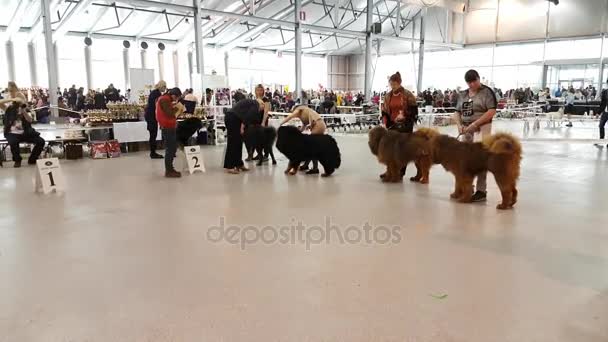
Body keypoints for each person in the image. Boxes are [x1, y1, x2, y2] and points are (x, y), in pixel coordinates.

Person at [453, 69, 497, 203]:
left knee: (480, 158)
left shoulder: (487, 92)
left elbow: (491, 111)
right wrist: (459, 125)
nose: (471, 84)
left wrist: (476, 123)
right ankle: (467, 187)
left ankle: (481, 190)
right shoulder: (463, 94)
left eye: (474, 81)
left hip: (482, 127)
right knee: (465, 160)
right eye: (469, 82)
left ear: (479, 79)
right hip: (466, 129)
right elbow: (456, 112)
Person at [280, 105, 327, 175]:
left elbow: (289, 117)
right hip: (319, 124)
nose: (294, 115)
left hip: (317, 124)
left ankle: (315, 168)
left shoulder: (299, 109)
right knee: (309, 148)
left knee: (312, 148)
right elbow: (303, 128)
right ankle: (306, 165)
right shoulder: (304, 114)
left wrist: (281, 124)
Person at [224, 98, 266, 174]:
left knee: (238, 143)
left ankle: (239, 164)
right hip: (233, 119)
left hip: (233, 118)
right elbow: (248, 116)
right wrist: (242, 127)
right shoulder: (256, 104)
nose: (261, 111)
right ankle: (229, 167)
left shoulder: (250, 103)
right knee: (233, 143)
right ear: (262, 104)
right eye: (262, 108)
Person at [0, 98, 45, 168]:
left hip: (26, 133)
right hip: (11, 133)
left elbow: (30, 120)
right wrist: (12, 99)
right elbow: (0, 102)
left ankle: (32, 159)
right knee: (13, 142)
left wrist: (23, 111)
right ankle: (17, 160)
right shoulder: (9, 109)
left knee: (41, 141)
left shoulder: (25, 110)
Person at [156, 87, 185, 178]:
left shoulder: (165, 99)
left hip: (168, 126)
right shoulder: (164, 99)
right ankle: (169, 170)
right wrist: (179, 107)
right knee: (170, 149)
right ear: (173, 95)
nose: (176, 100)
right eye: (176, 97)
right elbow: (170, 113)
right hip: (167, 126)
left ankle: (170, 169)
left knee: (172, 148)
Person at [145, 81, 166, 159]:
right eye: (164, 86)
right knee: (153, 135)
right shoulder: (157, 94)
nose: (165, 88)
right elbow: (157, 106)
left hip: (150, 116)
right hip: (152, 116)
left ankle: (153, 152)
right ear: (161, 86)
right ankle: (153, 153)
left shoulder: (154, 93)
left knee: (153, 135)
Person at [596, 81, 608, 147]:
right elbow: (602, 104)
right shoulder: (604, 92)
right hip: (605, 112)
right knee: (601, 125)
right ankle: (601, 139)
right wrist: (598, 113)